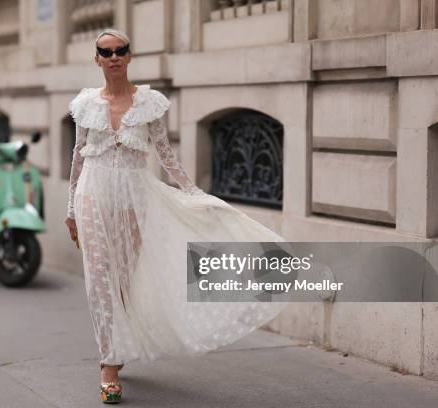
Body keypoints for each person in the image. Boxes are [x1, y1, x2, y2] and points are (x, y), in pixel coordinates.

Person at [64, 28, 288, 403]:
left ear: (130, 56)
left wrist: (196, 195)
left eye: (121, 50)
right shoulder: (85, 104)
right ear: (97, 59)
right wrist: (71, 208)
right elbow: (77, 155)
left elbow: (166, 157)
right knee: (98, 279)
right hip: (93, 192)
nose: (115, 57)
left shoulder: (150, 103)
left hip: (135, 197)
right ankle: (109, 363)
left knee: (125, 280)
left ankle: (122, 342)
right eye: (107, 52)